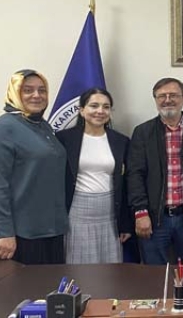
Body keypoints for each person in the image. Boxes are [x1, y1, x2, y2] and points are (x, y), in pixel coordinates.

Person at [0, 69, 68, 264]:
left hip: (46, 231)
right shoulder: (1, 129)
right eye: (28, 90)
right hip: (14, 234)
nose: (36, 95)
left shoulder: (43, 127)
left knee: (49, 283)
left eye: (42, 90)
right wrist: (4, 233)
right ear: (14, 93)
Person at [127, 77, 183, 264]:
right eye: (162, 96)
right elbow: (135, 174)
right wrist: (140, 212)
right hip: (155, 218)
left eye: (173, 95)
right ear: (155, 99)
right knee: (154, 275)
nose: (167, 100)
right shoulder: (143, 132)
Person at [57, 88, 133, 264]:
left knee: (110, 269)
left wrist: (125, 223)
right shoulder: (64, 139)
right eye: (94, 106)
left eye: (106, 107)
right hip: (77, 214)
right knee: (79, 268)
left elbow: (125, 184)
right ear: (82, 110)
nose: (100, 111)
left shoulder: (120, 141)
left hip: (110, 215)